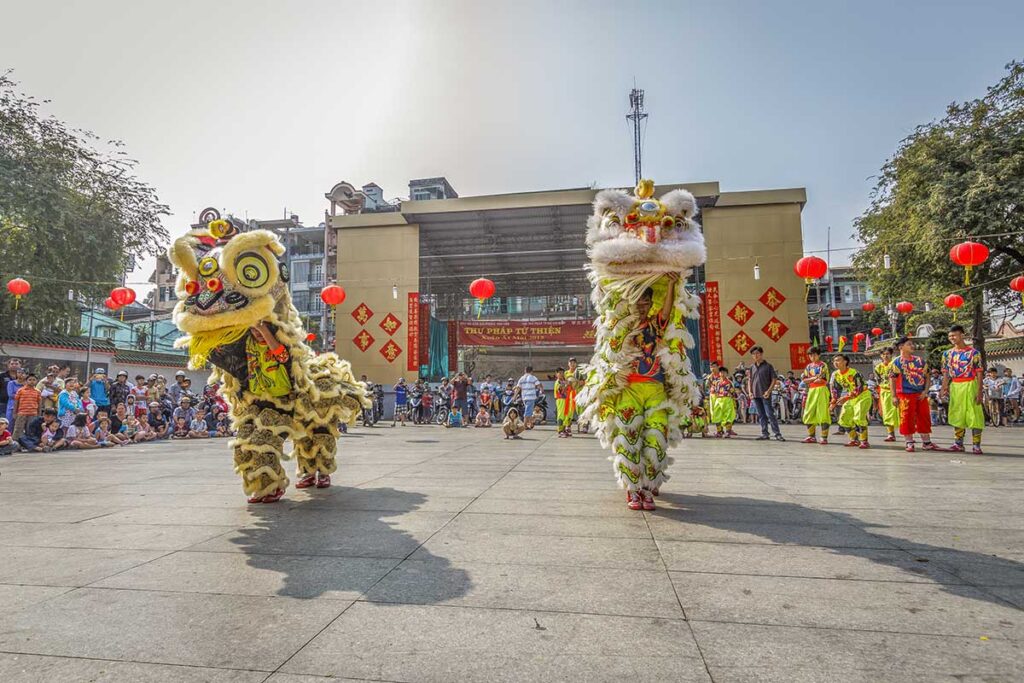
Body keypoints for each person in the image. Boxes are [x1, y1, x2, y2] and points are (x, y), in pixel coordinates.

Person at [941, 325, 985, 454]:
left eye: (954, 335)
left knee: (975, 415)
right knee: (957, 414)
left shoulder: (974, 353)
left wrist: (979, 391)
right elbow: (946, 373)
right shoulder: (947, 354)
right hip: (955, 386)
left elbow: (979, 373)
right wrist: (944, 387)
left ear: (962, 335)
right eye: (950, 336)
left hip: (970, 384)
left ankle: (976, 444)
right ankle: (958, 443)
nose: (952, 338)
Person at [890, 337, 939, 453]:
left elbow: (927, 376)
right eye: (909, 344)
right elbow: (892, 380)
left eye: (912, 344)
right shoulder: (896, 362)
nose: (912, 346)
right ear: (901, 347)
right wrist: (893, 396)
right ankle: (909, 441)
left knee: (924, 416)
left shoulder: (920, 361)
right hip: (905, 395)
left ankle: (926, 442)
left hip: (920, 394)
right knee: (906, 417)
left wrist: (925, 391)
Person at [829, 354, 871, 449]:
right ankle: (854, 439)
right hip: (850, 397)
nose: (835, 363)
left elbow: (860, 387)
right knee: (843, 419)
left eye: (838, 360)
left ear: (845, 362)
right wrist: (833, 402)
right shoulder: (835, 374)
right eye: (834, 361)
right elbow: (834, 389)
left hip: (862, 396)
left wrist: (847, 397)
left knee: (859, 417)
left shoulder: (854, 372)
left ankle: (864, 441)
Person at [746, 346, 785, 441]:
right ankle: (765, 433)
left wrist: (769, 391)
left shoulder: (768, 366)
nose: (755, 355)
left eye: (757, 353)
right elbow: (750, 380)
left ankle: (777, 434)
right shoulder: (752, 367)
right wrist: (750, 392)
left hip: (765, 394)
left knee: (770, 414)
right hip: (755, 394)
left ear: (761, 354)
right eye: (753, 354)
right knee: (761, 415)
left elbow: (774, 379)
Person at [799, 347, 831, 444]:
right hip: (811, 390)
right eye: (810, 355)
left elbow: (822, 380)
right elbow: (804, 379)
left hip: (821, 389)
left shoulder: (823, 365)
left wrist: (811, 379)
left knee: (823, 413)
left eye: (814, 354)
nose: (812, 357)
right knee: (808, 412)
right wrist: (814, 378)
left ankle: (824, 437)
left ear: (818, 355)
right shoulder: (808, 367)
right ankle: (811, 436)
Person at [874, 347, 900, 442]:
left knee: (900, 413)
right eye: (883, 354)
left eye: (887, 354)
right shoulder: (878, 367)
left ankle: (907, 433)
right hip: (885, 391)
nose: (885, 356)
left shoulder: (895, 365)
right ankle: (891, 434)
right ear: (881, 356)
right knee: (887, 413)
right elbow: (878, 381)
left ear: (891, 355)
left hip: (897, 391)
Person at [708, 363, 738, 438]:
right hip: (718, 400)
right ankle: (719, 431)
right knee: (717, 415)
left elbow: (733, 392)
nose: (722, 374)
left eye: (724, 372)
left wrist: (733, 400)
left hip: (727, 400)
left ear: (727, 373)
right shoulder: (716, 382)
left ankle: (728, 431)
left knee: (728, 416)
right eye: (721, 372)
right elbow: (713, 391)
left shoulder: (729, 382)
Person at [12, 371, 41, 441]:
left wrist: (39, 414)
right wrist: (14, 413)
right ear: (26, 381)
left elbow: (39, 404)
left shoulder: (38, 391)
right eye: (30, 380)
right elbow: (16, 402)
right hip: (22, 413)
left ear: (36, 381)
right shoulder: (21, 390)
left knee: (30, 430)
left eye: (34, 380)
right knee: (18, 429)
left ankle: (28, 444)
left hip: (33, 414)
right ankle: (15, 444)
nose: (32, 381)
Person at [516, 365, 541, 429]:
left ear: (525, 371)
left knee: (528, 410)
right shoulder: (533, 377)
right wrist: (539, 390)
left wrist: (514, 396)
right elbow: (538, 386)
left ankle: (530, 423)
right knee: (528, 411)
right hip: (531, 397)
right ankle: (525, 425)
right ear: (532, 371)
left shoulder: (521, 378)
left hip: (524, 397)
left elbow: (518, 388)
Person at [554, 367, 573, 437]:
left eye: (563, 373)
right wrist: (567, 385)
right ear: (556, 374)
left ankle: (564, 429)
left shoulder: (565, 380)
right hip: (560, 399)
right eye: (560, 373)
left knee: (566, 415)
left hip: (567, 399)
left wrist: (570, 384)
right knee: (561, 415)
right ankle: (560, 431)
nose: (562, 374)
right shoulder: (558, 382)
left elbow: (570, 389)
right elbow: (561, 391)